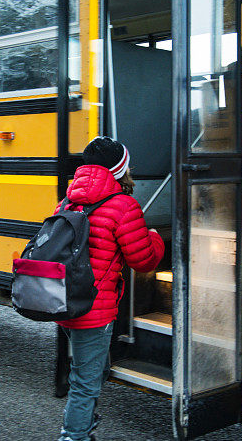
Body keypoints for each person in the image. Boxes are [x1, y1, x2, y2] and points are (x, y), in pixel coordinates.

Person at [56, 136, 164, 441]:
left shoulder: (67, 201)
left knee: (91, 369)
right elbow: (142, 260)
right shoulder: (123, 206)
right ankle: (74, 435)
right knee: (85, 382)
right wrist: (154, 237)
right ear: (120, 169)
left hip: (64, 301)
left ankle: (83, 424)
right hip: (94, 309)